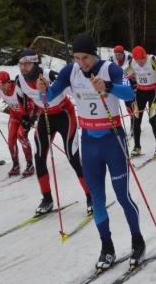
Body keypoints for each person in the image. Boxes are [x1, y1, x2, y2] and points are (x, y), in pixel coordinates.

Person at [39, 33, 146, 270]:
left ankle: (137, 241)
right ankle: (106, 247)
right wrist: (42, 89)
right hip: (89, 142)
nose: (81, 63)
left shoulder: (110, 69)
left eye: (85, 58)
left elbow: (130, 94)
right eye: (77, 58)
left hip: (113, 139)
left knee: (122, 196)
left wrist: (108, 86)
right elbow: (48, 97)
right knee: (97, 199)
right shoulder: (71, 71)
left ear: (94, 54)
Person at [16, 49, 92, 216]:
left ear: (35, 64)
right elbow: (22, 99)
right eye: (21, 64)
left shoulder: (49, 75)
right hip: (45, 116)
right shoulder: (19, 80)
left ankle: (90, 196)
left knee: (72, 156)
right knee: (39, 158)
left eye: (27, 64)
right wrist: (25, 117)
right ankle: (47, 199)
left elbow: (71, 87)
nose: (23, 68)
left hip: (64, 114)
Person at [0, 71, 34, 177]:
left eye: (4, 84)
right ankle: (16, 165)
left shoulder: (18, 88)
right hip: (14, 115)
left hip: (25, 114)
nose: (2, 87)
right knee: (11, 140)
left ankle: (30, 164)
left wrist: (30, 119)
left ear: (9, 82)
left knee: (21, 136)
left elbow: (30, 102)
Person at [129, 45, 156, 157]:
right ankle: (137, 147)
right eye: (138, 60)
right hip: (140, 93)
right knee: (136, 120)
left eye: (142, 59)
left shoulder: (151, 59)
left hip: (153, 93)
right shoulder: (132, 62)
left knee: (152, 120)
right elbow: (124, 74)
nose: (141, 62)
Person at [109, 45, 137, 132]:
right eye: (116, 54)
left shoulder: (129, 59)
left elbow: (136, 69)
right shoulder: (111, 59)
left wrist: (132, 75)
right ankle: (132, 120)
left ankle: (135, 123)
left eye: (119, 55)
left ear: (123, 54)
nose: (117, 57)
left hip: (130, 81)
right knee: (126, 105)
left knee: (131, 103)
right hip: (120, 81)